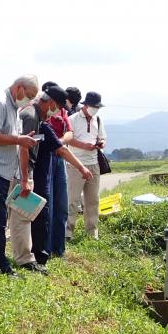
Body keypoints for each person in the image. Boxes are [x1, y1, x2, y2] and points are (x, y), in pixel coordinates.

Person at [16, 85, 93, 271]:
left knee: (40, 214)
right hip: (28, 174)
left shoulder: (43, 123)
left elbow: (61, 149)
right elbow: (23, 148)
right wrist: (25, 177)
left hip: (37, 174)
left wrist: (81, 167)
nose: (58, 112)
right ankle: (33, 257)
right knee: (32, 217)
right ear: (51, 103)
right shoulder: (31, 117)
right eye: (58, 107)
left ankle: (38, 255)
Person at [0, 75, 40, 275]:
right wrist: (18, 139)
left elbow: (19, 144)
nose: (28, 101)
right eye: (28, 96)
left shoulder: (15, 110)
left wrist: (22, 176)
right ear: (19, 88)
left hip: (4, 171)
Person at [67, 91, 107, 240]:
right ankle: (68, 232)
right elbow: (68, 140)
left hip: (93, 163)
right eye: (94, 106)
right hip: (76, 163)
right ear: (86, 105)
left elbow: (103, 137)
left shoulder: (98, 120)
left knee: (93, 200)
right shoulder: (73, 119)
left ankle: (92, 232)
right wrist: (84, 145)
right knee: (73, 199)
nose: (95, 109)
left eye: (98, 107)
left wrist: (100, 143)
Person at [44, 82, 74, 257]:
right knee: (49, 205)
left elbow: (70, 133)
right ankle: (46, 248)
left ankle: (59, 248)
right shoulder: (37, 111)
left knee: (61, 205)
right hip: (46, 157)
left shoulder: (61, 111)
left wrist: (59, 141)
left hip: (59, 155)